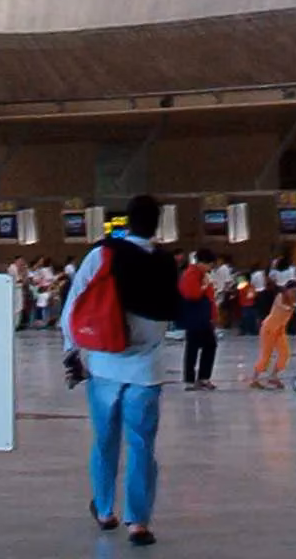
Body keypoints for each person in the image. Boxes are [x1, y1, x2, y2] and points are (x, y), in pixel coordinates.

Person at [61, 196, 180, 548]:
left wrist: (71, 352)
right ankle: (138, 522)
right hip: (147, 368)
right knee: (142, 444)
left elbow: (74, 304)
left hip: (104, 363)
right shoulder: (165, 262)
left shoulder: (103, 254)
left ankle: (103, 509)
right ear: (157, 224)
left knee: (104, 440)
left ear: (126, 222)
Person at [179, 249, 218, 391]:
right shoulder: (190, 274)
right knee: (193, 348)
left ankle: (203, 377)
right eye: (210, 265)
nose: (211, 268)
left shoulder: (202, 274)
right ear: (202, 263)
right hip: (195, 317)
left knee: (209, 346)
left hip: (204, 317)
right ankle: (190, 379)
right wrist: (205, 285)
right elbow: (192, 294)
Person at [249, 281, 296, 390]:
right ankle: (254, 379)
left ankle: (273, 376)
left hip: (280, 330)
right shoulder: (280, 296)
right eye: (293, 291)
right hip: (269, 328)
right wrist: (291, 307)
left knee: (285, 353)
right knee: (266, 355)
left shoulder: (294, 300)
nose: (295, 293)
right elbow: (280, 305)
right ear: (287, 290)